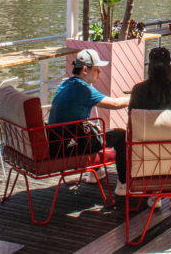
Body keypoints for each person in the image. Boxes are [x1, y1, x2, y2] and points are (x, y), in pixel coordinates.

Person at [47, 50, 131, 195]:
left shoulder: (67, 83)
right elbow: (116, 104)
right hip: (69, 145)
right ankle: (123, 185)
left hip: (55, 140)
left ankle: (95, 173)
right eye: (97, 69)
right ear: (85, 70)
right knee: (120, 135)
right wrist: (136, 96)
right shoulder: (84, 89)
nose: (99, 72)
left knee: (91, 128)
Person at [129, 47, 171, 209]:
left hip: (146, 158)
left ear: (149, 67)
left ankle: (154, 192)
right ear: (169, 67)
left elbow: (130, 121)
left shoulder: (138, 90)